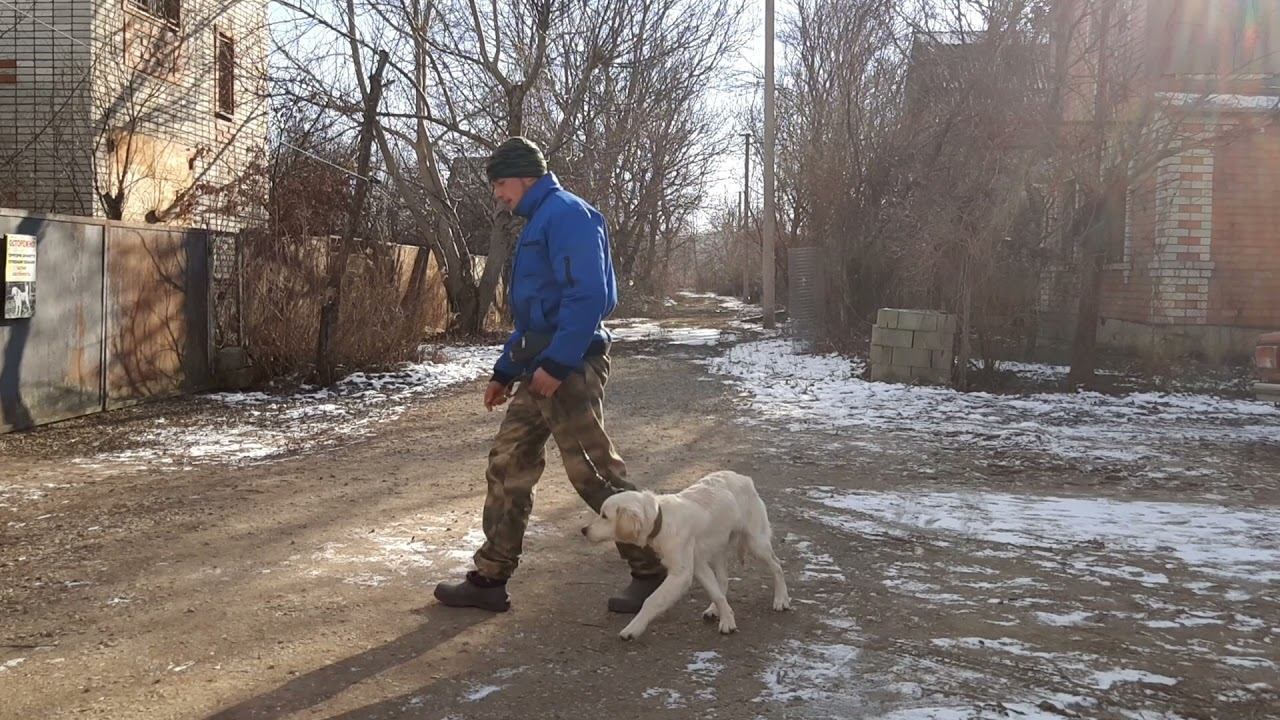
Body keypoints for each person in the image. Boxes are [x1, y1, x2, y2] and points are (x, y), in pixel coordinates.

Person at [433, 137, 665, 613]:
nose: (498, 194)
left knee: (593, 472)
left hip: (569, 367)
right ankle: (490, 578)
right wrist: (505, 371)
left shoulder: (568, 215)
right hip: (541, 365)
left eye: (500, 183)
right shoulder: (539, 220)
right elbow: (535, 317)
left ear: (525, 176)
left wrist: (558, 364)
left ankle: (653, 568)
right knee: (508, 463)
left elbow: (588, 296)